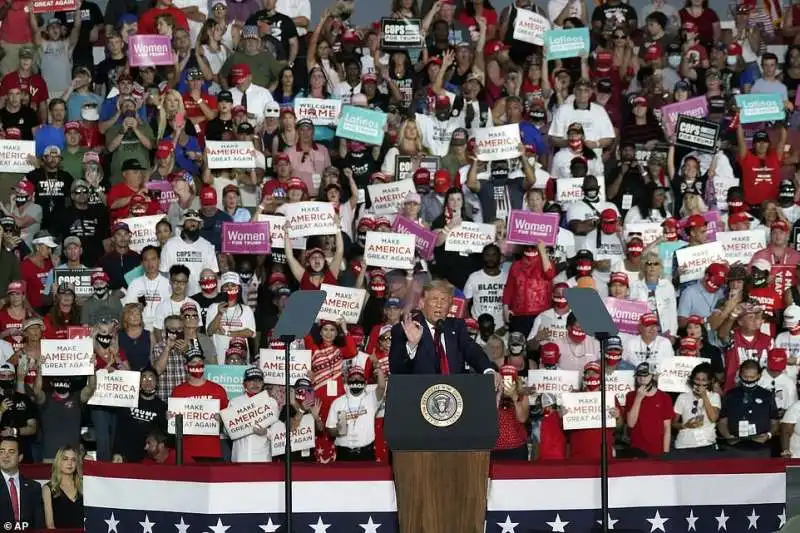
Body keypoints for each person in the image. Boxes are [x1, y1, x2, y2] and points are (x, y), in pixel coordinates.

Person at [389, 280, 500, 383]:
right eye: (435, 299)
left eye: (444, 300)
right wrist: (411, 345)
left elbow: (471, 350)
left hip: (455, 395)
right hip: (419, 396)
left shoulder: (457, 326)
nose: (439, 305)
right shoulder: (405, 329)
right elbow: (396, 370)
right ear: (422, 303)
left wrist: (488, 370)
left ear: (450, 306)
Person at [325, 365, 386, 461]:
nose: (356, 380)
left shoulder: (371, 398)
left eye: (359, 378)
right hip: (344, 454)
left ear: (365, 382)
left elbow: (382, 387)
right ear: (348, 381)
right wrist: (337, 431)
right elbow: (330, 429)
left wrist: (379, 371)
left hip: (366, 453)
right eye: (353, 378)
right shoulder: (337, 402)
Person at [0, 436, 44, 529]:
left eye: (11, 452)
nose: (5, 455)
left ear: (20, 457)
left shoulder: (34, 487)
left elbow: (38, 524)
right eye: (2, 451)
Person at [42, 445, 82, 529]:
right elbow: (50, 525)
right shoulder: (48, 489)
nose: (70, 463)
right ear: (58, 462)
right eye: (65, 459)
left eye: (73, 460)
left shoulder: (83, 487)